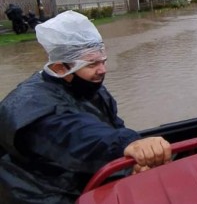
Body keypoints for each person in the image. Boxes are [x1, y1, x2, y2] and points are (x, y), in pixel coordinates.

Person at [0, 10, 172, 203]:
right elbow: (78, 135)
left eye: (103, 61)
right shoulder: (29, 104)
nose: (102, 70)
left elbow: (113, 127)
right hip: (42, 192)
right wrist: (128, 144)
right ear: (59, 68)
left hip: (80, 177)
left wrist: (129, 163)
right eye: (92, 64)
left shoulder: (92, 89)